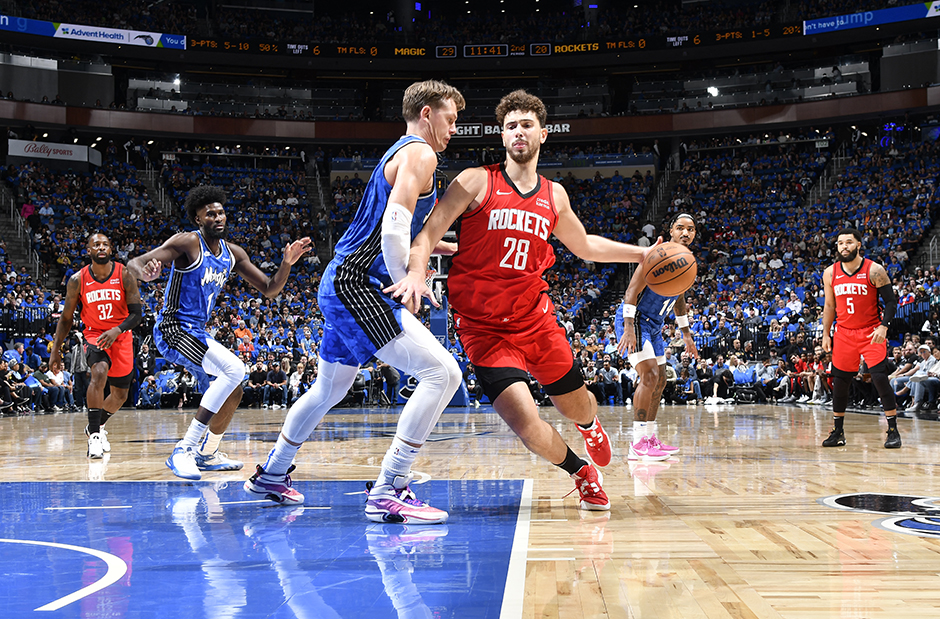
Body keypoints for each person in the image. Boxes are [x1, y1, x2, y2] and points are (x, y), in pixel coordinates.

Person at [388, 89, 657, 512]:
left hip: (534, 319)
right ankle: (581, 472)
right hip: (482, 328)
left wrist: (641, 253)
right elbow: (427, 233)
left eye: (526, 124)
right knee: (526, 425)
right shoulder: (475, 180)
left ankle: (589, 425)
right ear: (501, 136)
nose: (518, 131)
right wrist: (417, 272)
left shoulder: (555, 196)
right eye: (511, 125)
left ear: (542, 135)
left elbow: (584, 245)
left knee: (577, 403)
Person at [244, 80, 465, 524]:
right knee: (443, 373)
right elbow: (392, 229)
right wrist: (408, 282)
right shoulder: (422, 154)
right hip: (356, 286)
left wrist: (436, 250)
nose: (454, 129)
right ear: (426, 113)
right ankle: (390, 488)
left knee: (330, 388)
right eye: (451, 118)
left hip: (342, 280)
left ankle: (271, 473)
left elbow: (393, 228)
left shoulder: (398, 152)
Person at [127, 185, 311, 479]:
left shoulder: (232, 253)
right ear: (198, 220)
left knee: (235, 389)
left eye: (221, 212)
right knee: (235, 368)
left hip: (198, 332)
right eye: (209, 214)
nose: (218, 217)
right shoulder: (187, 243)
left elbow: (270, 289)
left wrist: (287, 264)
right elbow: (134, 263)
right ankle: (184, 450)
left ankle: (208, 452)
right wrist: (144, 271)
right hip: (173, 329)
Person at [50, 233, 142, 459]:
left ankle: (96, 426)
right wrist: (55, 350)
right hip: (95, 335)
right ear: (88, 250)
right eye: (96, 245)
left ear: (111, 249)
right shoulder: (77, 280)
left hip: (120, 336)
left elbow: (137, 314)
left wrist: (117, 330)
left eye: (105, 244)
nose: (101, 248)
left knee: (120, 395)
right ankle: (94, 438)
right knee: (98, 372)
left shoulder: (124, 274)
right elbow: (66, 318)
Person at [615, 213, 698, 461]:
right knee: (649, 374)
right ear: (670, 231)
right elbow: (631, 291)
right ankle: (637, 442)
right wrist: (628, 326)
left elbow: (679, 300)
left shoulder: (686, 262)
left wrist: (687, 335)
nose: (686, 233)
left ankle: (649, 438)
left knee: (661, 380)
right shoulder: (656, 255)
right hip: (636, 319)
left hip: (655, 325)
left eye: (691, 229)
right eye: (680, 228)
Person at [821, 228, 900, 448]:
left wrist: (884, 326)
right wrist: (825, 333)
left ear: (858, 245)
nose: (844, 246)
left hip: (871, 331)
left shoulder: (874, 270)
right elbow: (829, 306)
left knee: (879, 377)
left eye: (848, 242)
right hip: (844, 333)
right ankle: (838, 432)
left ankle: (893, 430)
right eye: (840, 243)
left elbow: (891, 302)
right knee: (840, 382)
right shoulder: (830, 273)